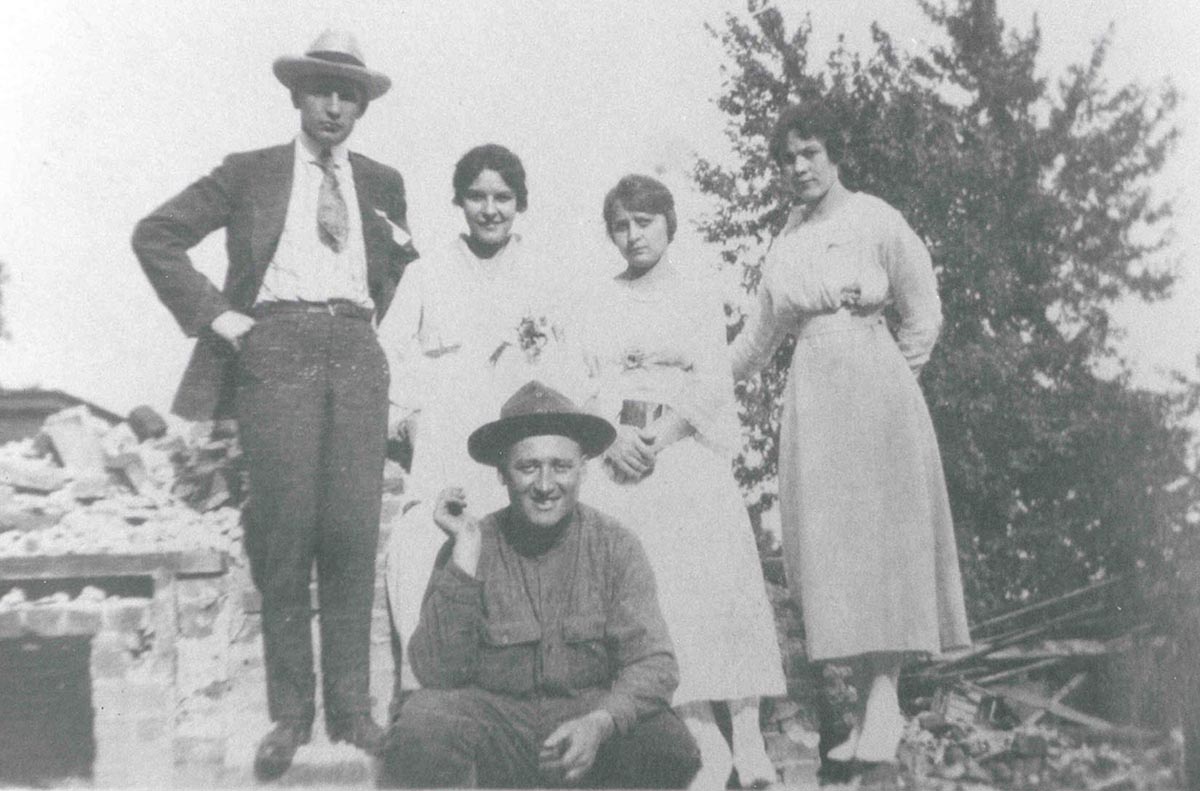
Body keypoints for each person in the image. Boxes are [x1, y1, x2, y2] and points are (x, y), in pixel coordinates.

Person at [131, 30, 418, 781]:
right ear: (296, 94)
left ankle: (352, 708)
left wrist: (357, 333)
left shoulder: (384, 183)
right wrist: (223, 319)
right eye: (321, 89)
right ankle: (291, 713)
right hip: (275, 348)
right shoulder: (251, 172)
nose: (334, 105)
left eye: (347, 93)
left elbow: (392, 278)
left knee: (353, 532)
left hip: (356, 352)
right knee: (285, 535)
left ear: (362, 104)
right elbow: (156, 234)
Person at [730, 102, 971, 775]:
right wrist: (693, 375)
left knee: (881, 541)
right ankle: (865, 709)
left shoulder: (876, 218)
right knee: (834, 548)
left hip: (875, 394)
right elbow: (756, 339)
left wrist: (891, 382)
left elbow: (924, 312)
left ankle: (885, 697)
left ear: (835, 153)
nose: (797, 166)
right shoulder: (786, 239)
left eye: (809, 152)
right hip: (812, 400)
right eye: (787, 156)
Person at [379, 381, 701, 789]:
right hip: (500, 729)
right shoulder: (472, 543)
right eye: (528, 467)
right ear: (501, 473)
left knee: (667, 744)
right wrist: (464, 554)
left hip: (584, 724)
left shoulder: (615, 545)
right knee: (421, 723)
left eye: (561, 467)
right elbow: (436, 672)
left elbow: (654, 663)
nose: (546, 485)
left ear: (582, 468)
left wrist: (600, 724)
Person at [575, 175, 787, 789]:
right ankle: (705, 740)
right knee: (660, 597)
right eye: (621, 224)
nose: (634, 233)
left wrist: (661, 438)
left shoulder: (696, 293)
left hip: (683, 451)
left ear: (670, 224)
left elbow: (713, 377)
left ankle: (750, 741)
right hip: (621, 458)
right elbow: (583, 377)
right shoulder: (598, 300)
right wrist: (612, 437)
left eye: (645, 220)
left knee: (720, 584)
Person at [376, 144, 578, 688]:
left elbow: (571, 368)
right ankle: (425, 696)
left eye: (503, 197)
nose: (490, 209)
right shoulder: (425, 274)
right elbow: (384, 360)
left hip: (523, 453)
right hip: (447, 451)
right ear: (459, 201)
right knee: (422, 548)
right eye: (477, 196)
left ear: (520, 203)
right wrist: (404, 424)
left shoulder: (545, 274)